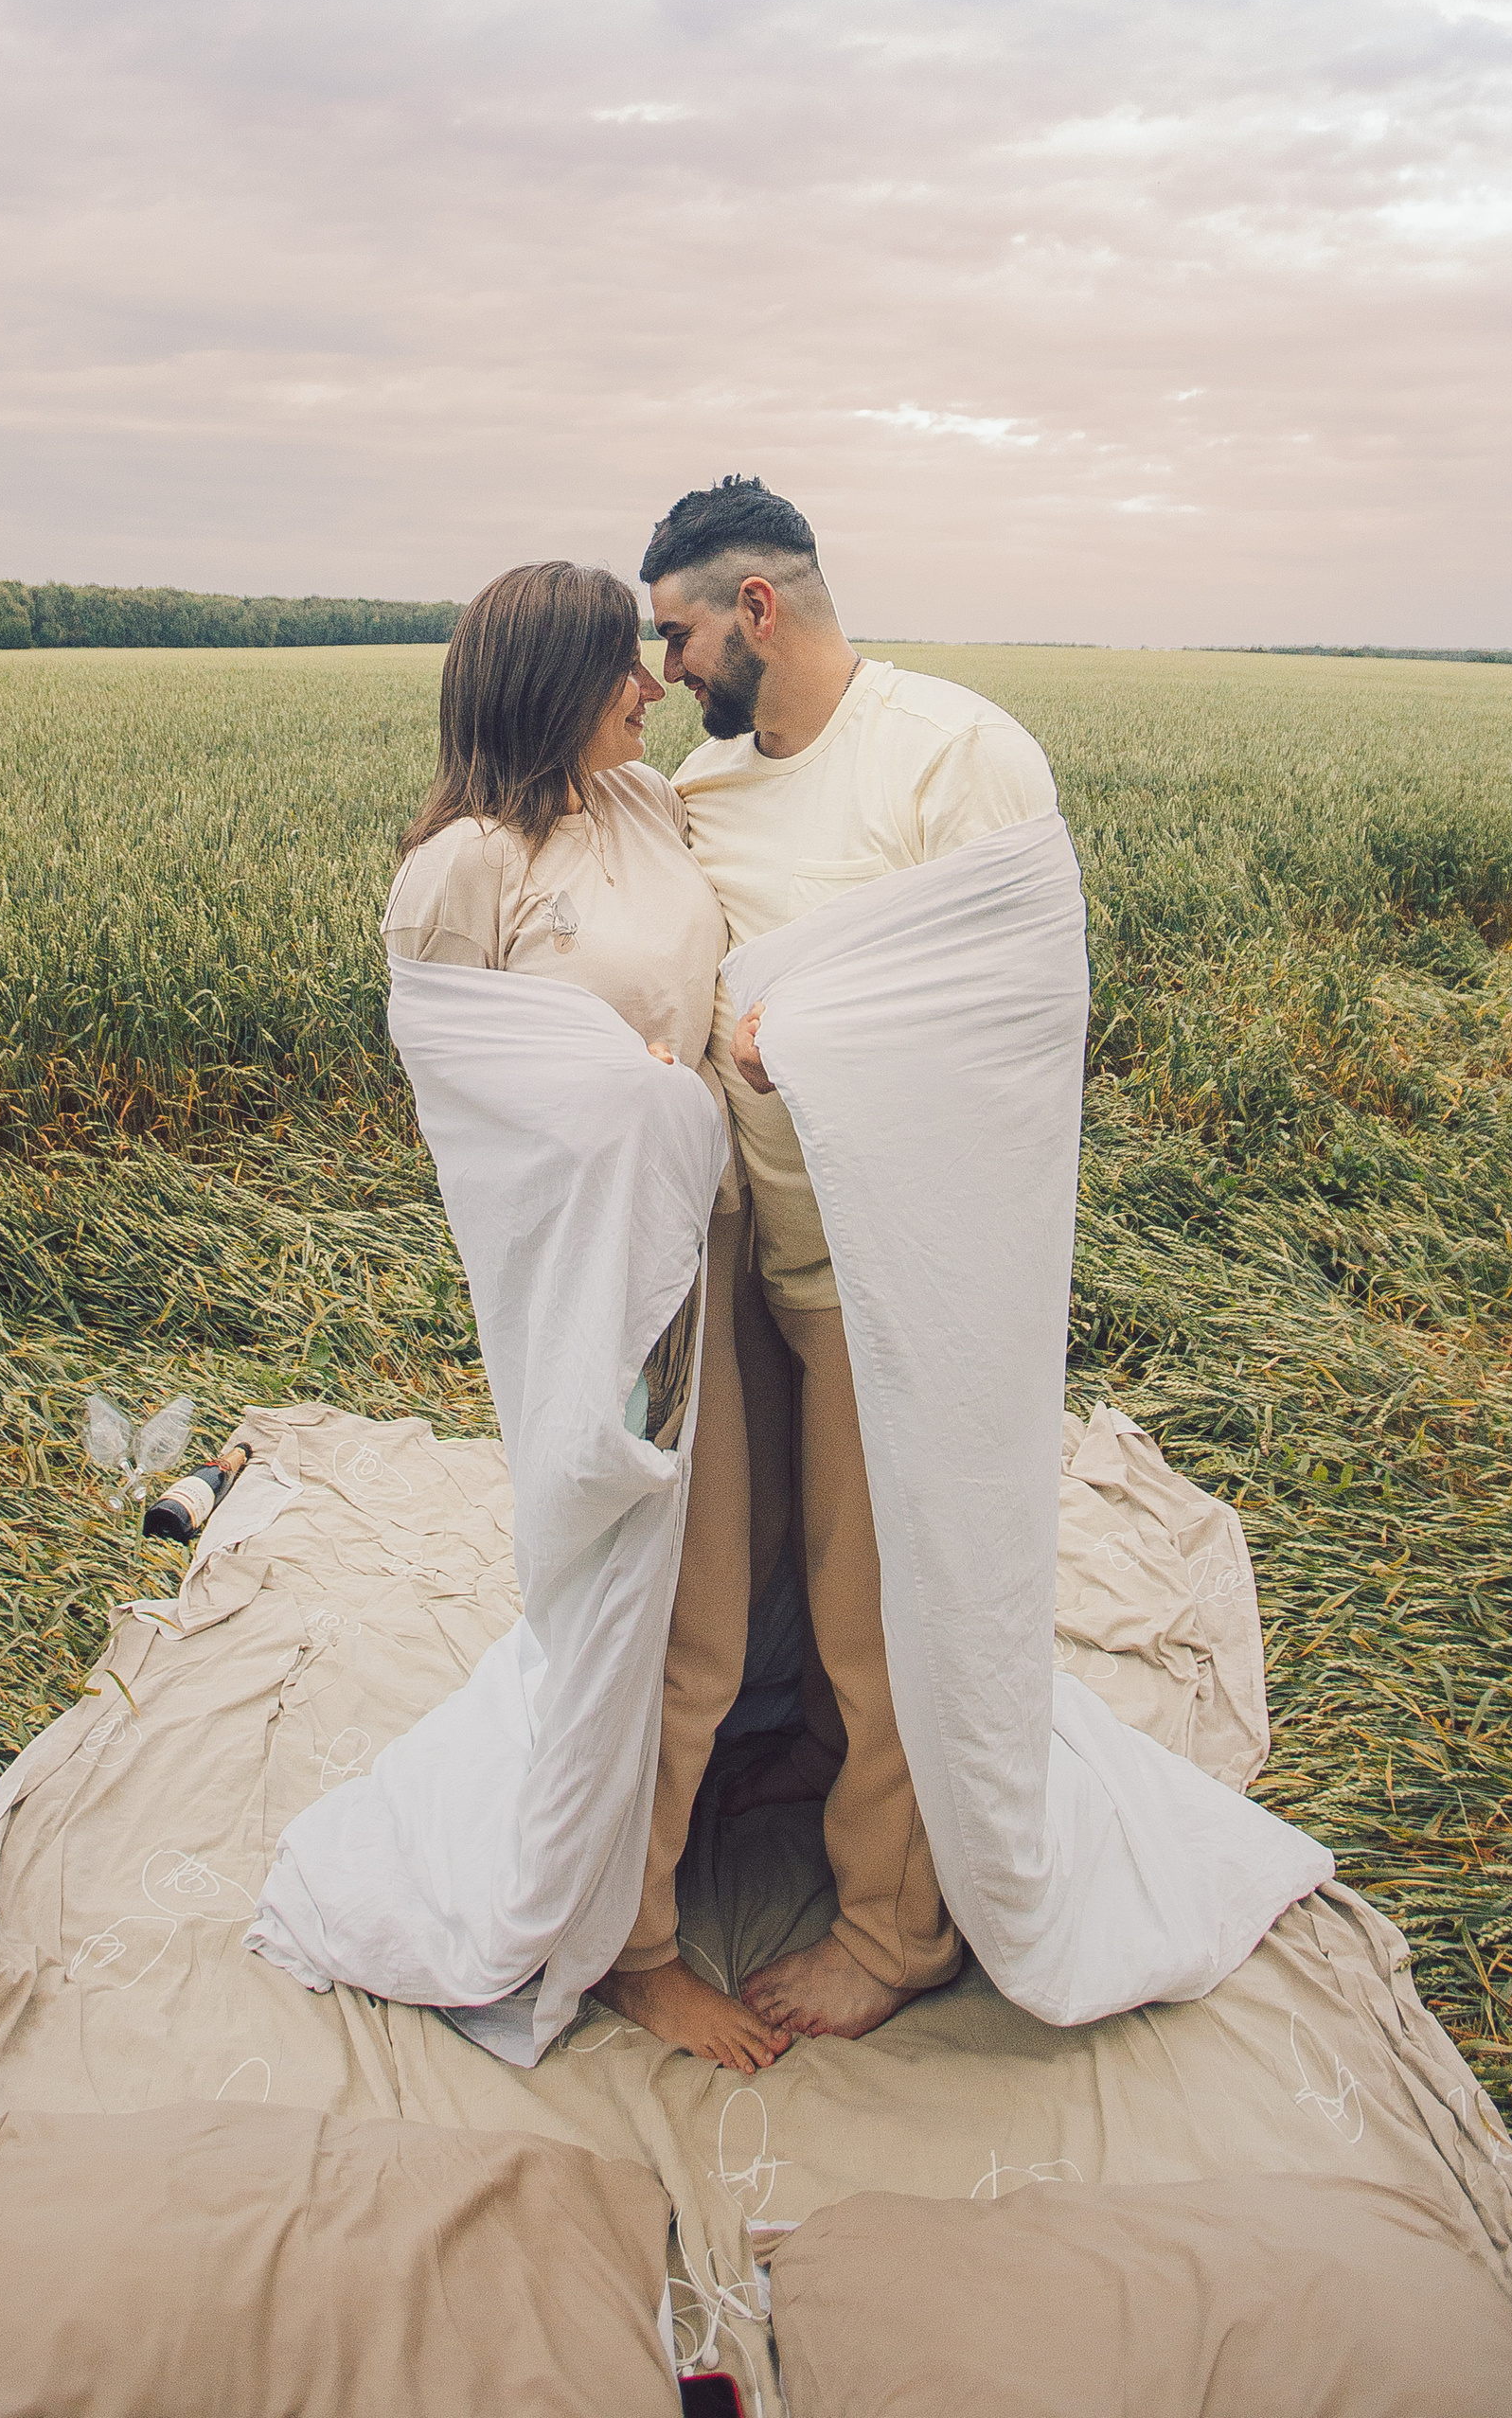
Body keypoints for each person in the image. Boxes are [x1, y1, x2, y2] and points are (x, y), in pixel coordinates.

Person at [644, 475, 1059, 2046]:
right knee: (767, 1570)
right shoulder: (713, 784)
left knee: (883, 1595)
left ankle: (899, 1930)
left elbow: (1021, 1016)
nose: (667, 665)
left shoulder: (956, 757)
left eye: (679, 632)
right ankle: (799, 1749)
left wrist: (816, 1042)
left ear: (756, 608)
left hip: (894, 1272)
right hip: (746, 1241)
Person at [381, 559, 789, 2074]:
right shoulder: (465, 871)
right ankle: (630, 1946)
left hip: (720, 1230)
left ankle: (680, 1832)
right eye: (622, 662)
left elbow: (705, 992)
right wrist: (629, 1107)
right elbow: (473, 1108)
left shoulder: (648, 807)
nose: (651, 682)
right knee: (657, 1598)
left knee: (729, 1563)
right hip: (608, 1288)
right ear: (546, 682)